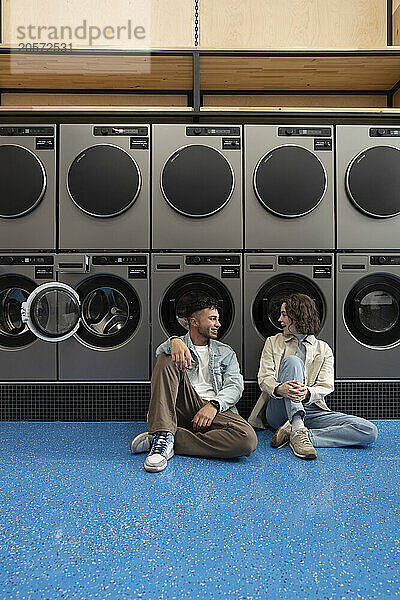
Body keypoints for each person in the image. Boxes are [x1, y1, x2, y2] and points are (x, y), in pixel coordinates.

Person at [130, 295, 258, 472]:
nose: (218, 324)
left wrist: (213, 405)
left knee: (247, 440)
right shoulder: (177, 346)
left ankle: (165, 436)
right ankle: (162, 441)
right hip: (185, 403)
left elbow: (235, 387)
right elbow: (160, 355)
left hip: (214, 409)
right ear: (194, 321)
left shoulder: (225, 352)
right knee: (166, 358)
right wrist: (173, 341)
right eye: (213, 319)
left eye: (218, 319)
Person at [248, 292, 378, 460]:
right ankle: (297, 423)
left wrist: (308, 393)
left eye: (284, 315)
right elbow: (264, 378)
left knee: (368, 431)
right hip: (279, 407)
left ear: (299, 316)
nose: (280, 320)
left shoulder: (323, 349)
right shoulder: (273, 341)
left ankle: (300, 434)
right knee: (293, 361)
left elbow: (326, 385)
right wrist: (280, 389)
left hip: (311, 409)